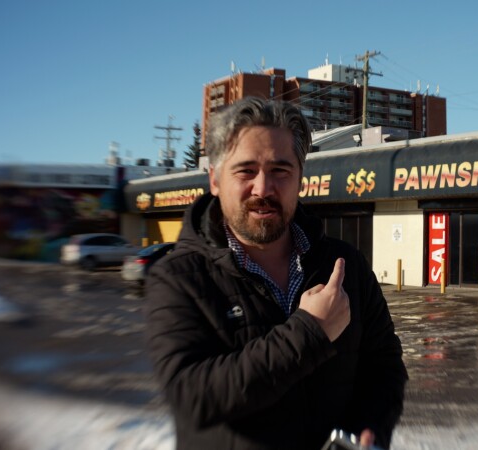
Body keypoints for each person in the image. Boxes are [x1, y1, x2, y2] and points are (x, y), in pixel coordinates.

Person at [143, 96, 408, 450]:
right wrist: (309, 332)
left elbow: (384, 367)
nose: (263, 188)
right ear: (215, 180)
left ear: (300, 179)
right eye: (246, 170)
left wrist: (372, 425)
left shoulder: (346, 267)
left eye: (280, 171)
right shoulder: (178, 278)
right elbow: (192, 397)